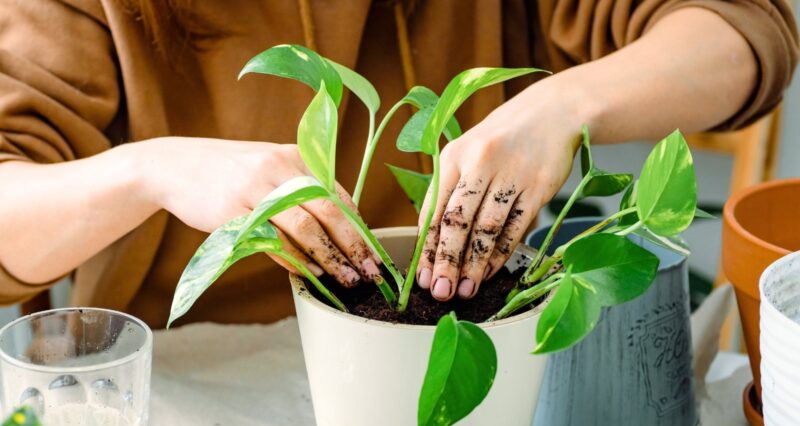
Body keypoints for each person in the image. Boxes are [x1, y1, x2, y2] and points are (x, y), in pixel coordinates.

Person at [0, 0, 796, 327]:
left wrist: (565, 104)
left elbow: (744, 30)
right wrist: (153, 169)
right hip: (185, 380)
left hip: (452, 351)